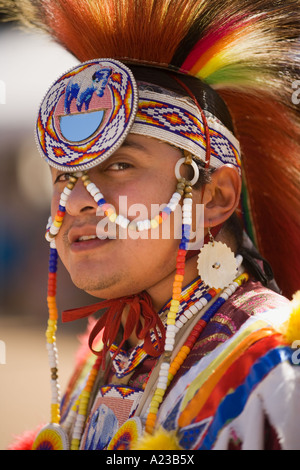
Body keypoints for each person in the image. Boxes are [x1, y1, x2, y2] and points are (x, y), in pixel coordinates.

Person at [2, 0, 300, 451]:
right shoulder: (101, 360)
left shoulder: (273, 368)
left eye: (120, 165)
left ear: (214, 197)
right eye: (64, 175)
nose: (79, 200)